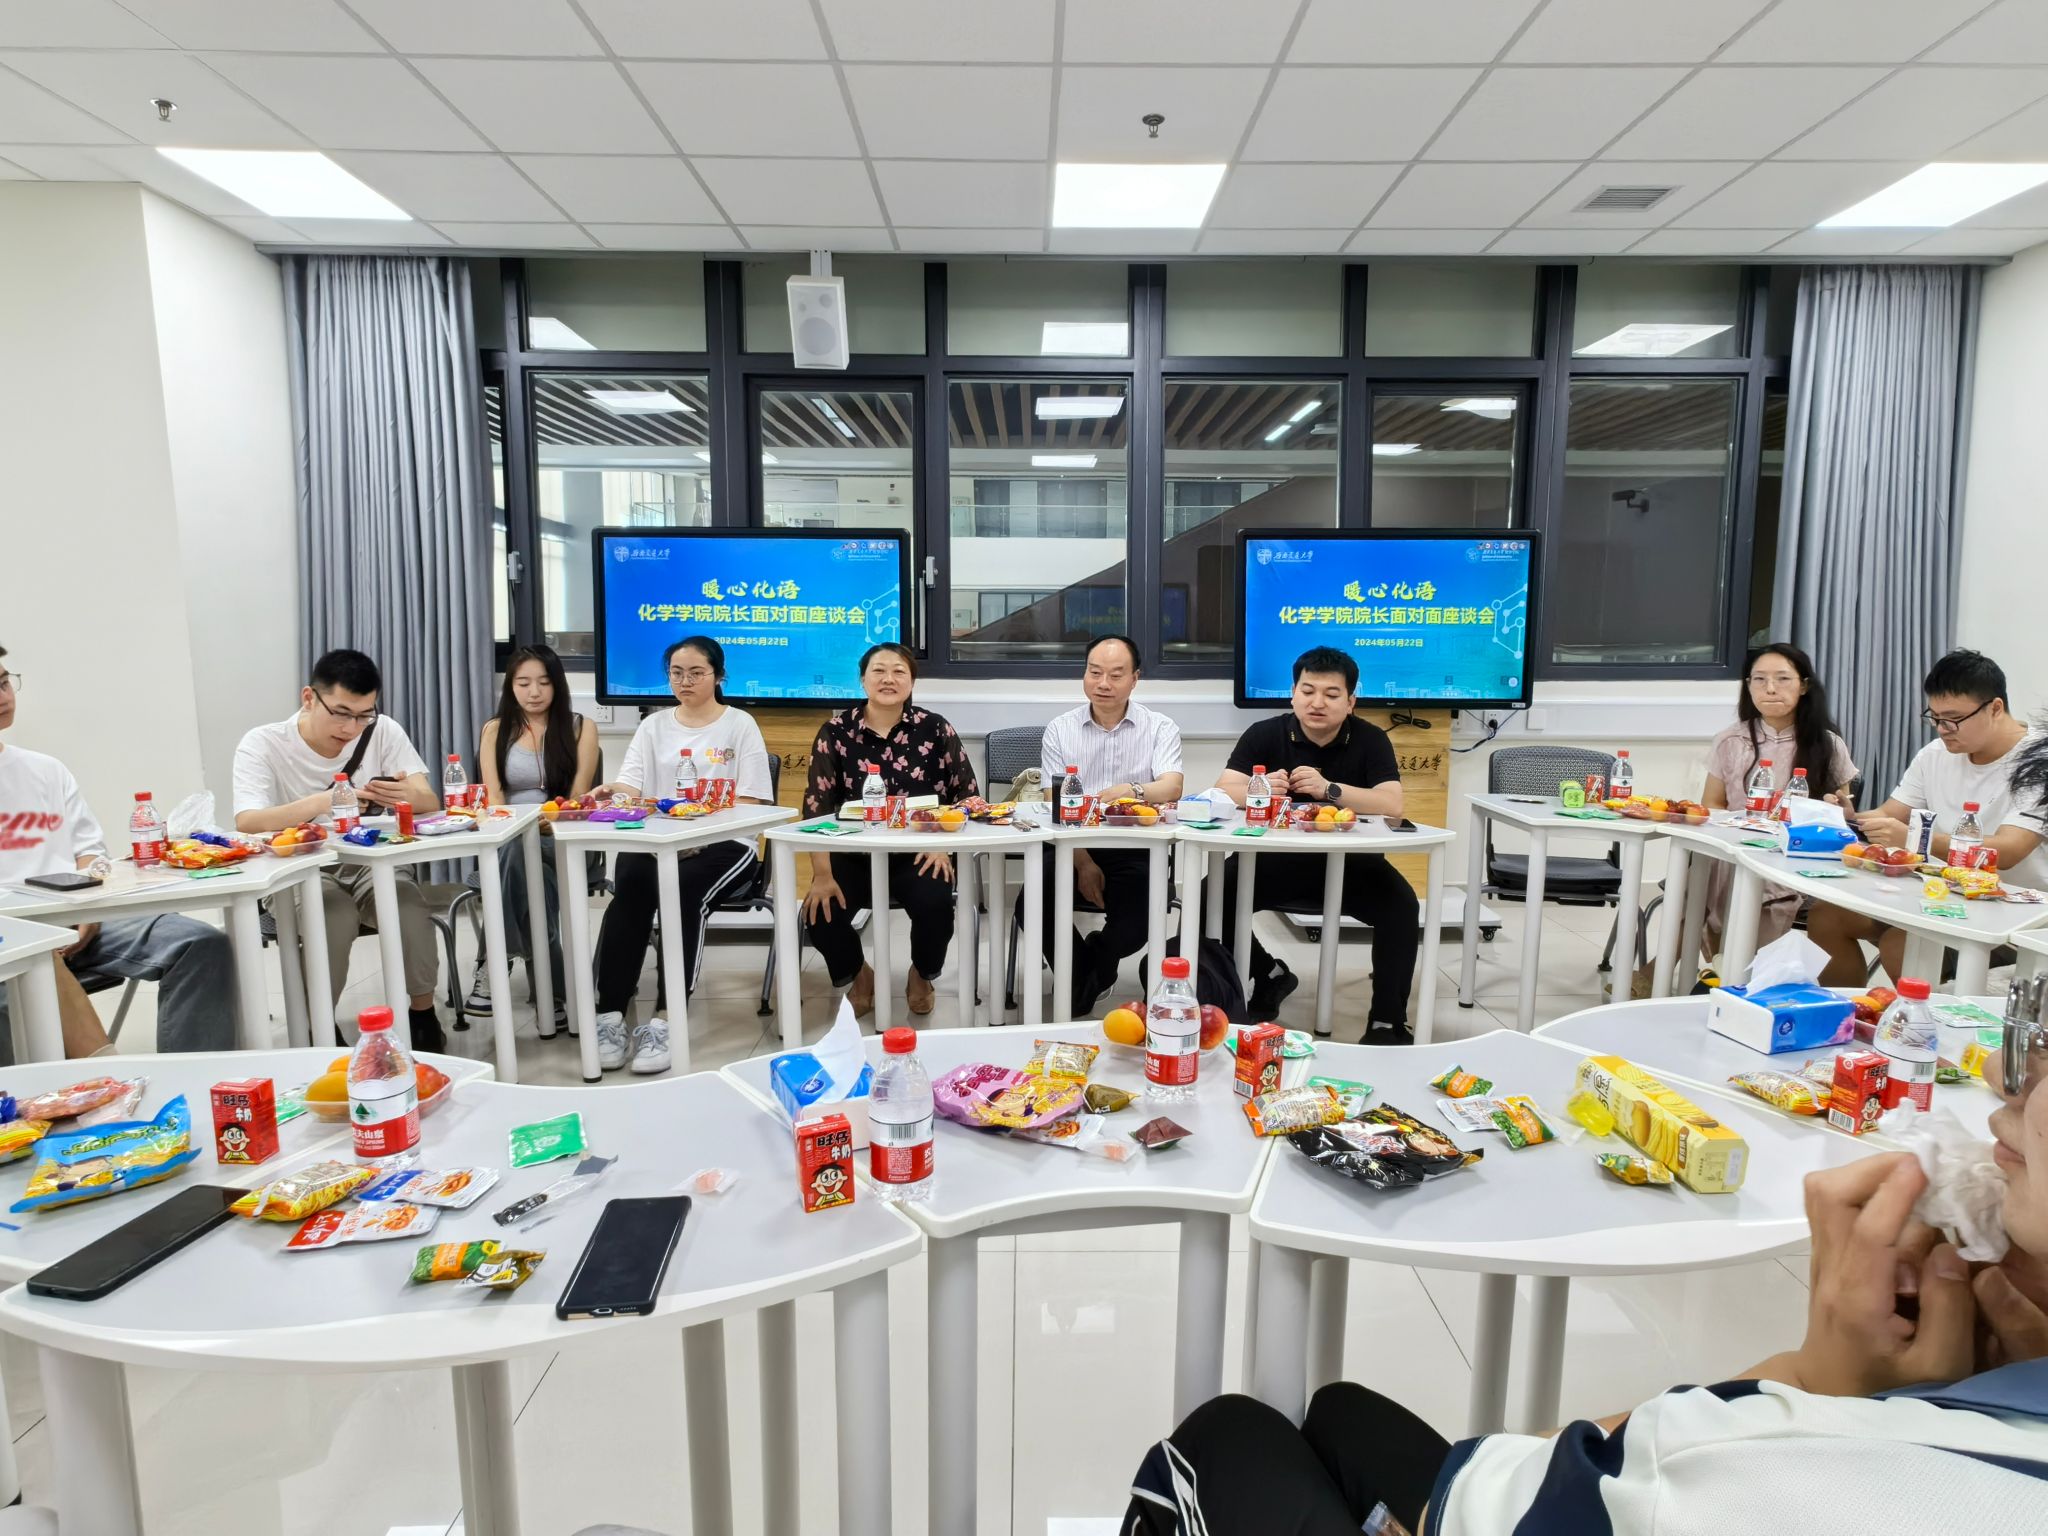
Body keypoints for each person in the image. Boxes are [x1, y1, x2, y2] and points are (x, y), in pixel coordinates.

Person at [0, 643, 233, 1059]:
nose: (3, 696)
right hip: (13, 936)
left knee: (200, 943)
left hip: (77, 918)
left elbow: (91, 854)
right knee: (25, 969)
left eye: (4, 683)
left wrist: (87, 909)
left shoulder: (45, 770)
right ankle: (96, 1082)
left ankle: (194, 1078)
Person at [232, 647, 447, 1052]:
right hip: (300, 868)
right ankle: (319, 1026)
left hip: (369, 860)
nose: (352, 728)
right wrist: (322, 802)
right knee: (331, 913)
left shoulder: (383, 730)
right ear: (309, 698)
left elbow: (429, 800)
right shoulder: (264, 743)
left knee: (405, 902)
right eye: (341, 713)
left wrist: (403, 796)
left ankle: (422, 1015)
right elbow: (248, 820)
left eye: (364, 715)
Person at [590, 635, 772, 1074]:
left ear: (718, 676)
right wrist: (612, 791)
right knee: (630, 883)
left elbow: (753, 802)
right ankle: (610, 1016)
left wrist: (702, 832)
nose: (685, 681)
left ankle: (666, 1019)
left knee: (683, 889)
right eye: (676, 673)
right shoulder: (653, 726)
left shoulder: (740, 725)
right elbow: (631, 785)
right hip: (659, 838)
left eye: (696, 673)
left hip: (727, 841)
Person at [1810, 649, 2046, 986]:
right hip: (1936, 896)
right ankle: (1845, 1013)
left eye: (1953, 718)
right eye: (1934, 717)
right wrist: (1852, 817)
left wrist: (1913, 838)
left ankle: (1919, 1018)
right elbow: (1890, 813)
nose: (1942, 729)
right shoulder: (1935, 755)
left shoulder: (2037, 761)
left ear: (1995, 708)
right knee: (1828, 917)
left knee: (1903, 946)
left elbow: (2008, 851)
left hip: (2011, 915)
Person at [1216, 646, 1417, 1041]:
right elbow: (1223, 790)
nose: (1317, 703)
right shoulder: (1264, 733)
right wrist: (1259, 787)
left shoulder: (1371, 739)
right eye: (1308, 691)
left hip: (1355, 867)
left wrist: (1330, 789)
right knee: (1211, 897)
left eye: (1331, 694)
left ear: (1351, 701)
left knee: (1402, 907)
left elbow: (1392, 802)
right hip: (1270, 863)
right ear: (1293, 693)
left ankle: (1387, 1020)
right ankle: (1268, 973)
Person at [800, 643, 978, 1016]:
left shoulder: (935, 727)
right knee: (819, 913)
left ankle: (922, 974)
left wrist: (943, 844)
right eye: (878, 670)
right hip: (853, 853)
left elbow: (968, 796)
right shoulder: (836, 731)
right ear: (863, 679)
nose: (888, 679)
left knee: (935, 906)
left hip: (921, 851)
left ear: (912, 681)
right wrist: (821, 873)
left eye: (899, 671)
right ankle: (858, 974)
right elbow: (816, 807)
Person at [1029, 634, 1186, 1015]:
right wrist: (1082, 862)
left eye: (1116, 675)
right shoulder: (1061, 728)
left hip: (1136, 847)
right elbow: (1054, 800)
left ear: (1135, 678)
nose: (1103, 683)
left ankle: (1092, 963)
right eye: (1094, 672)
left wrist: (1133, 790)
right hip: (1071, 844)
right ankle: (1082, 974)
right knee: (1030, 904)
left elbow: (1172, 786)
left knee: (1135, 925)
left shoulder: (1159, 726)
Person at [1697, 643, 1860, 965]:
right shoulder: (1731, 740)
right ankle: (1724, 967)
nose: (1770, 688)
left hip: (1794, 857)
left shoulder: (1828, 744)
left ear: (1804, 685)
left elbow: (1841, 816)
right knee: (1699, 879)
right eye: (1759, 679)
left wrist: (1839, 810)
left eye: (1783, 679)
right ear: (1748, 686)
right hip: (1734, 847)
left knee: (1763, 887)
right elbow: (1712, 804)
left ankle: (1742, 970)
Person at [470, 644, 600, 1025]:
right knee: (526, 867)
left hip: (562, 836)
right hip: (510, 836)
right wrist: (518, 824)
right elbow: (494, 798)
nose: (534, 692)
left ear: (557, 685)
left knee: (522, 860)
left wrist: (550, 818)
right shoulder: (495, 730)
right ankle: (552, 993)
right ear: (511, 686)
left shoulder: (581, 728)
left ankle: (493, 963)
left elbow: (578, 797)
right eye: (523, 683)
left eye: (544, 682)